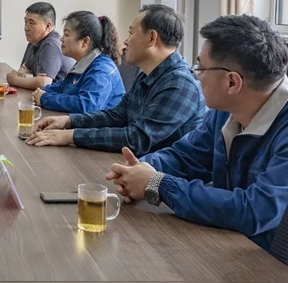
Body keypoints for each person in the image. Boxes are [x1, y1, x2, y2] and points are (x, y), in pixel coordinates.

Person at [106, 15, 288, 251]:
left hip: (263, 260)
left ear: (232, 83)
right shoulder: (226, 110)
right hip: (224, 243)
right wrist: (140, 169)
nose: (197, 75)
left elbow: (255, 211)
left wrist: (158, 184)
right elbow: (186, 157)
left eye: (201, 67)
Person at [26, 4, 204, 155]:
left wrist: (70, 136)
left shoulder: (180, 85)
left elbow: (137, 139)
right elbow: (117, 115)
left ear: (151, 38)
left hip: (161, 178)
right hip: (136, 167)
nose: (126, 41)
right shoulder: (149, 74)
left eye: (131, 33)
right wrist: (68, 121)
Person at [32, 11, 125, 113]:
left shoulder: (101, 70)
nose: (61, 39)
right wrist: (43, 91)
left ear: (85, 41)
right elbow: (65, 86)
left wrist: (45, 99)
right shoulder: (87, 62)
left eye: (66, 34)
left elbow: (87, 105)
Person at [6, 2, 74, 90]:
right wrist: (19, 75)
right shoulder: (35, 42)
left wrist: (15, 80)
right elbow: (25, 68)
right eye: (25, 22)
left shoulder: (50, 45)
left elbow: (44, 83)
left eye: (31, 23)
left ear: (48, 26)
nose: (26, 28)